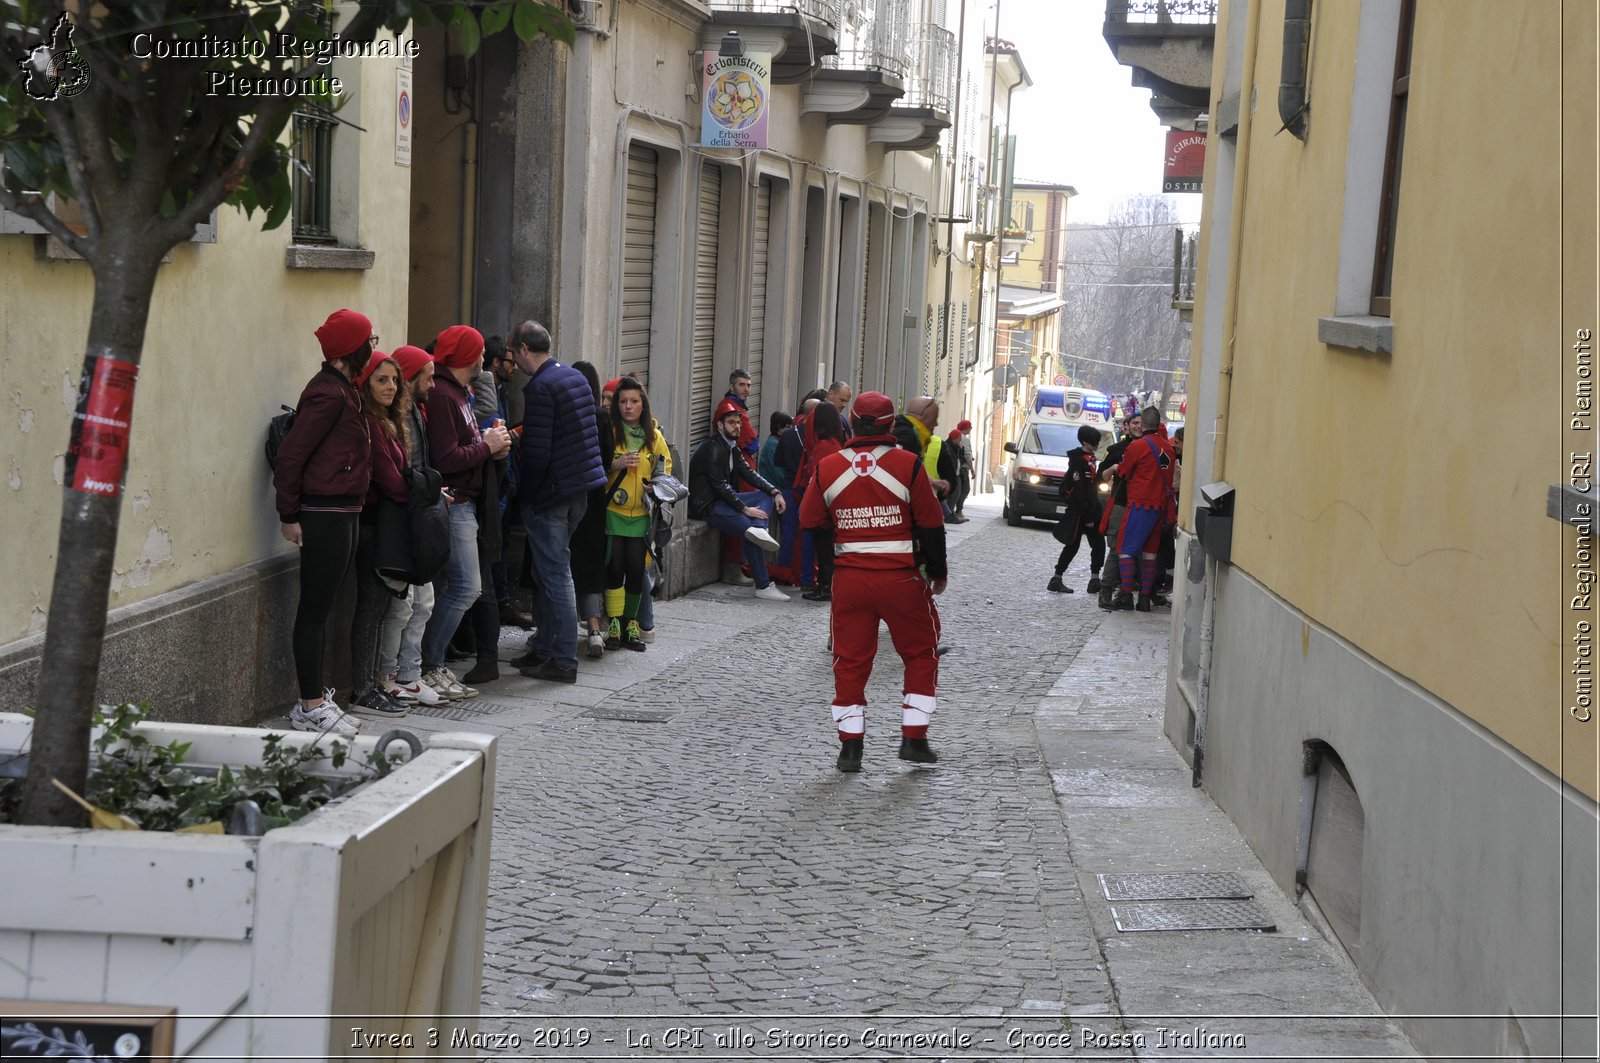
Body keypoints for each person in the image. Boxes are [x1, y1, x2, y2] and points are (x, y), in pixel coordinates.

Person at [800, 391, 948, 773]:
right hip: (901, 579)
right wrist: (939, 570)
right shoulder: (908, 464)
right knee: (920, 653)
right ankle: (914, 737)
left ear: (855, 420)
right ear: (888, 424)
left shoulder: (830, 466)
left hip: (850, 581)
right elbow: (932, 523)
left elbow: (808, 518)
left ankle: (850, 748)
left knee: (849, 663)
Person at [273, 308, 376, 735]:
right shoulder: (329, 394)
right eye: (369, 341)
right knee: (314, 610)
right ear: (353, 349)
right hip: (324, 512)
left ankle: (317, 698)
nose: (373, 348)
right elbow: (292, 454)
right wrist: (289, 513)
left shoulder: (345, 390)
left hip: (343, 510)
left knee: (324, 607)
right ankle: (309, 704)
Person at [419, 325, 513, 697]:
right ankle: (430, 664)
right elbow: (446, 458)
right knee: (466, 587)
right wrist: (486, 447)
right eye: (478, 354)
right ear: (469, 358)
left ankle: (430, 663)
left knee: (455, 587)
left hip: (465, 503)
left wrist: (492, 442)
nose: (483, 361)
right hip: (455, 502)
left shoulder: (457, 392)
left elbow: (464, 445)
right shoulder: (444, 396)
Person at [511, 320, 607, 683]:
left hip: (551, 494)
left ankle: (563, 658)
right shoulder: (574, 377)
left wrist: (528, 494)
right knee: (548, 571)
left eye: (513, 352)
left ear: (523, 349)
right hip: (579, 491)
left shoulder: (540, 387)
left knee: (555, 575)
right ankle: (546, 648)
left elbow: (538, 452)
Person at [345, 350, 412, 718]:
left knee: (383, 607)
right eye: (381, 380)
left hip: (387, 522)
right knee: (370, 609)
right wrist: (422, 492)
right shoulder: (370, 422)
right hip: (372, 523)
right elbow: (391, 481)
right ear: (366, 383)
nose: (390, 387)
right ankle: (362, 688)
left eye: (393, 380)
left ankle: (372, 684)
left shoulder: (389, 418)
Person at [378, 345, 446, 705]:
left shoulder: (415, 411)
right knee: (405, 605)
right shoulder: (397, 417)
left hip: (418, 511)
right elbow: (403, 472)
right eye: (429, 376)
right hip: (404, 517)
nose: (434, 384)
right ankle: (392, 675)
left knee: (423, 602)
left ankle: (409, 673)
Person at [600, 377, 672, 650]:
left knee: (635, 569)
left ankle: (631, 624)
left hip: (641, 514)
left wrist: (655, 487)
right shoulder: (609, 431)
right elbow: (595, 465)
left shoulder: (654, 437)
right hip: (612, 512)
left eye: (634, 401)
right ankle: (615, 625)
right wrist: (615, 463)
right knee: (614, 569)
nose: (628, 406)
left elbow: (665, 472)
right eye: (623, 401)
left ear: (643, 405)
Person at [689, 406, 790, 601]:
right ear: (720, 425)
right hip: (709, 506)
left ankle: (760, 528)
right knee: (748, 530)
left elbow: (750, 474)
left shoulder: (731, 447)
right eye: (731, 423)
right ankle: (763, 585)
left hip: (726, 500)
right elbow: (719, 487)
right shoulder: (713, 448)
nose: (737, 427)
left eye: (739, 422)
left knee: (766, 497)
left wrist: (775, 491)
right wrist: (745, 509)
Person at [566, 361, 611, 660]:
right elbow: (607, 459)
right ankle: (594, 629)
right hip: (595, 497)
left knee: (564, 565)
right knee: (590, 563)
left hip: (567, 495)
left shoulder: (567, 413)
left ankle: (561, 630)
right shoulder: (601, 416)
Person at [1114, 407, 1176, 612]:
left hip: (1140, 504)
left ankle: (1125, 594)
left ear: (1143, 424)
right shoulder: (1169, 449)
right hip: (1160, 507)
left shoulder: (1137, 446)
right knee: (1150, 553)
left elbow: (1123, 471)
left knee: (1126, 550)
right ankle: (1144, 598)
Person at [795, 400, 846, 601]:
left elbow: (819, 477)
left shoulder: (824, 447)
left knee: (824, 549)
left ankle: (826, 587)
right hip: (829, 505)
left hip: (822, 507)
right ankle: (825, 585)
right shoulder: (835, 443)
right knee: (825, 549)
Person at [1048, 424, 1106, 595]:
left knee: (1097, 545)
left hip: (1089, 509)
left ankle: (1094, 579)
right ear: (1086, 442)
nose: (1096, 445)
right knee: (1073, 545)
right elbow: (1080, 489)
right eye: (1094, 442)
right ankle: (1057, 578)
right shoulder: (1079, 461)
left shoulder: (1088, 458)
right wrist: (1088, 514)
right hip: (1082, 511)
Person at [1096, 411, 1144, 610]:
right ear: (1126, 425)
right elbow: (1101, 477)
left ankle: (1128, 593)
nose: (1138, 426)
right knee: (1116, 549)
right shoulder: (1116, 449)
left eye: (1141, 423)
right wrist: (1114, 468)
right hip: (1121, 505)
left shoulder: (1148, 449)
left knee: (1139, 552)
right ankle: (1106, 591)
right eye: (1134, 422)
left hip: (1141, 507)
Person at [712, 369, 759, 462]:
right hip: (736, 465)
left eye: (748, 385)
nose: (746, 389)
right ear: (731, 387)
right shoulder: (732, 408)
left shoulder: (731, 405)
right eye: (741, 385)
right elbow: (753, 445)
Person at [949, 418, 976, 521]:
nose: (971, 428)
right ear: (966, 428)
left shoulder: (957, 435)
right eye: (970, 426)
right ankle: (958, 511)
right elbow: (967, 455)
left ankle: (954, 511)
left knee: (958, 490)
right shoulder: (963, 438)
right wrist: (972, 470)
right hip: (962, 467)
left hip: (957, 466)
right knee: (964, 489)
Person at [757, 410, 793, 487]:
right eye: (788, 427)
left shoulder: (779, 441)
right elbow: (779, 473)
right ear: (779, 426)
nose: (791, 430)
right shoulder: (772, 445)